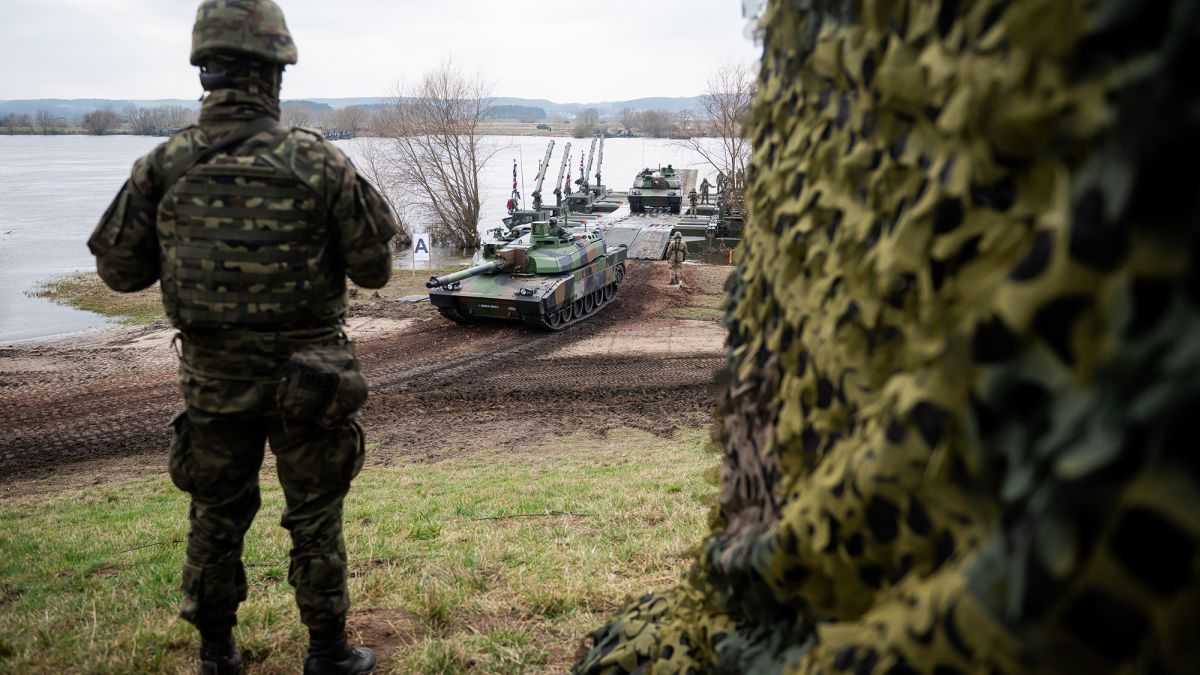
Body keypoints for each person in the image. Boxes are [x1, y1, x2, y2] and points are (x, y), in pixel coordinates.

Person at [86, 1, 396, 673]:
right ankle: (327, 653)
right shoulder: (318, 162)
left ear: (206, 71)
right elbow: (376, 267)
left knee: (215, 518)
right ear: (276, 73)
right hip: (311, 384)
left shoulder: (162, 164)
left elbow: (118, 272)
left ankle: (217, 655)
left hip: (213, 381)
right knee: (315, 516)